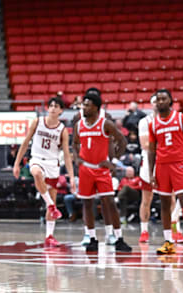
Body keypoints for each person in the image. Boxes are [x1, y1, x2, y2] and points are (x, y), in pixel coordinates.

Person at [74, 91, 132, 253]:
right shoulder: (79, 125)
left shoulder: (105, 124)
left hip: (101, 169)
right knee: (87, 203)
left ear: (96, 108)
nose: (83, 107)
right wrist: (76, 157)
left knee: (110, 203)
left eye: (87, 105)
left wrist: (113, 162)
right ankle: (91, 237)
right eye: (83, 104)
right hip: (85, 168)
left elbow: (122, 141)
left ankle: (118, 238)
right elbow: (75, 143)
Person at [12, 96, 75, 247]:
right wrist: (17, 164)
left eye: (56, 106)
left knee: (51, 199)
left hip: (53, 164)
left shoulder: (62, 130)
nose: (52, 108)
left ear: (61, 110)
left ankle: (49, 236)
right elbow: (26, 142)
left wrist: (71, 176)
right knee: (36, 173)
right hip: (37, 159)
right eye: (51, 105)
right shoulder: (38, 122)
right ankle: (52, 206)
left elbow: (66, 155)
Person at [148, 89, 183, 255]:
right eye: (158, 99)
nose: (161, 102)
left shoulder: (181, 118)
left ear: (171, 101)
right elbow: (151, 151)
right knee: (164, 203)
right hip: (162, 166)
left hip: (180, 164)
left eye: (164, 99)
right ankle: (168, 241)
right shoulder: (153, 123)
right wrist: (151, 172)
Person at [137, 95, 157, 243]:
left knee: (171, 199)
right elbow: (145, 144)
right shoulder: (144, 122)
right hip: (149, 164)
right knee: (146, 199)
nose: (158, 104)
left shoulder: (173, 120)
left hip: (166, 162)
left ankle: (175, 231)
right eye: (156, 101)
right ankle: (144, 230)